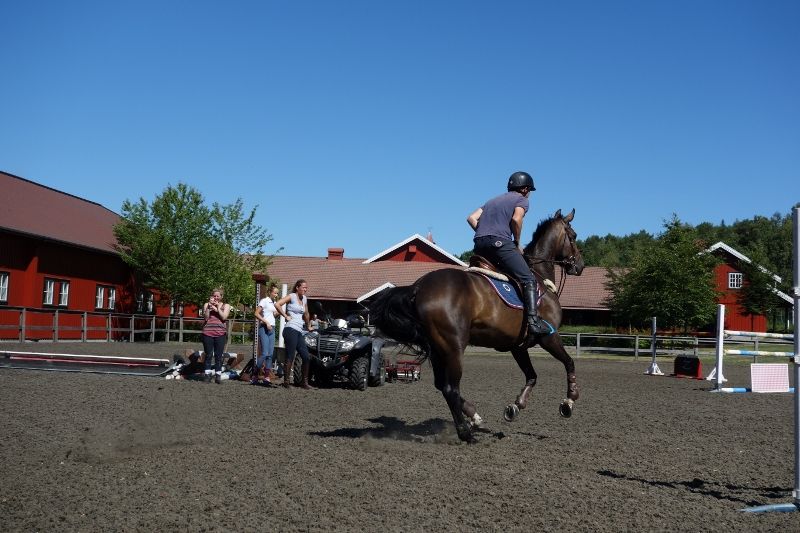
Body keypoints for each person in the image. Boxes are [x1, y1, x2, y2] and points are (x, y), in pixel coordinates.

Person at [467, 171, 550, 336]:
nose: (530, 194)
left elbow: (471, 217)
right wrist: (517, 242)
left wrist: (483, 231)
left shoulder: (492, 201)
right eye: (530, 191)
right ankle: (533, 322)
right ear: (525, 189)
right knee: (528, 278)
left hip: (479, 244)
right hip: (500, 244)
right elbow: (516, 219)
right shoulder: (522, 200)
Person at [275, 279, 314, 389]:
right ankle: (286, 382)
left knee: (306, 357)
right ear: (297, 287)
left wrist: (308, 326)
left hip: (299, 331)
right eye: (303, 287)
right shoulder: (291, 296)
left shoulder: (304, 299)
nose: (305, 289)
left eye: (306, 288)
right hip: (290, 329)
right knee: (290, 356)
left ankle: (304, 382)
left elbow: (306, 314)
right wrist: (285, 316)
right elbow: (277, 304)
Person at [254, 283, 289, 386]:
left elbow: (273, 315)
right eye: (275, 293)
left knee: (270, 355)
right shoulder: (264, 301)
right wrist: (266, 322)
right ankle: (255, 374)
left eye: (277, 294)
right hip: (264, 328)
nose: (276, 295)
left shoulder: (274, 303)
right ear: (270, 292)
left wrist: (278, 312)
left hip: (272, 329)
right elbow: (256, 313)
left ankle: (266, 376)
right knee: (264, 353)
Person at [202, 288, 232, 383]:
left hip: (220, 333)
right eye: (214, 296)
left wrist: (217, 308)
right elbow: (206, 318)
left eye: (217, 296)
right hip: (208, 332)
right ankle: (207, 374)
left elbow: (224, 317)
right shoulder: (207, 305)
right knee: (208, 354)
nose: (215, 298)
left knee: (219, 355)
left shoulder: (226, 305)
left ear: (221, 297)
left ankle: (218, 375)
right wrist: (209, 308)